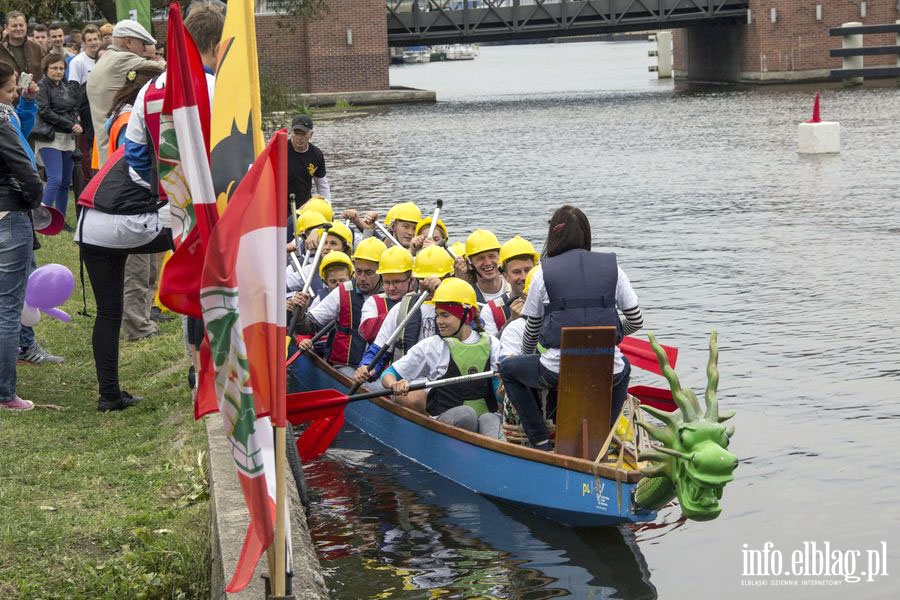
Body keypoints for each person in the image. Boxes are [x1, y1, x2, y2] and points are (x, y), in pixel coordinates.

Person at [498, 205, 644, 451]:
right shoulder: (615, 270)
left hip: (557, 369)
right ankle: (604, 439)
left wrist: (528, 356)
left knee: (509, 369)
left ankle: (540, 441)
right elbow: (636, 321)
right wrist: (610, 334)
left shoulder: (544, 273)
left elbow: (531, 331)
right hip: (608, 367)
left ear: (554, 236)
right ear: (586, 235)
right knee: (624, 366)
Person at [381, 278, 502, 438]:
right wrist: (395, 383)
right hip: (445, 422)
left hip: (483, 422)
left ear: (467, 315)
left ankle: (493, 454)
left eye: (445, 316)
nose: (439, 322)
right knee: (466, 414)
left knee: (491, 418)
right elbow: (388, 374)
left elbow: (498, 391)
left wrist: (504, 389)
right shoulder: (431, 346)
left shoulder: (492, 343)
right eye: (437, 315)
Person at [0, 61, 45, 410]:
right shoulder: (2, 122)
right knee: (8, 308)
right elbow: (25, 170)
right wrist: (34, 197)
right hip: (8, 214)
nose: (16, 93)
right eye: (11, 88)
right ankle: (5, 394)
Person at [356, 245, 455, 383]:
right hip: (406, 387)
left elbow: (475, 334)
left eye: (435, 279)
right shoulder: (400, 309)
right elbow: (378, 350)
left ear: (449, 278)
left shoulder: (459, 308)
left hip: (447, 385)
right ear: (415, 279)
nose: (428, 284)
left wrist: (445, 291)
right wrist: (367, 366)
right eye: (423, 279)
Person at [292, 236, 386, 377]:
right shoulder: (341, 292)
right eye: (358, 271)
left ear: (382, 271)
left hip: (382, 370)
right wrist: (300, 314)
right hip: (346, 367)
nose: (361, 278)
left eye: (369, 273)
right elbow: (306, 327)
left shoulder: (394, 292)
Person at [86, 18, 160, 168]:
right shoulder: (122, 58)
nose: (144, 50)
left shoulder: (105, 58)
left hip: (105, 153)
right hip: (120, 152)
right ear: (129, 42)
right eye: (143, 44)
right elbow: (163, 69)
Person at [31, 53, 81, 225]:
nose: (58, 71)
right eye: (54, 68)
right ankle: (40, 218)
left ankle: (59, 219)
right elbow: (44, 111)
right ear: (46, 69)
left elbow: (74, 108)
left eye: (61, 68)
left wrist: (77, 123)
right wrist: (69, 124)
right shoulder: (41, 86)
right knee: (55, 178)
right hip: (49, 137)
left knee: (66, 182)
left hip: (67, 138)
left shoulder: (66, 86)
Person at [481, 235, 539, 336]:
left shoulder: (549, 301)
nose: (524, 277)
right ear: (505, 276)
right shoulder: (491, 310)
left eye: (528, 270)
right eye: (516, 272)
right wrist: (511, 320)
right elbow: (491, 350)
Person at [358, 245, 415, 343]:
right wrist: (401, 310)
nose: (391, 288)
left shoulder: (419, 300)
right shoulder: (374, 302)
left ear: (411, 280)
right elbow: (367, 332)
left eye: (397, 282)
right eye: (387, 283)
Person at [287, 114, 329, 205]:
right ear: (291, 132)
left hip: (305, 206)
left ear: (311, 134)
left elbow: (322, 186)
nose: (299, 137)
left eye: (303, 134)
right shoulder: (280, 150)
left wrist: (328, 209)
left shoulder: (317, 155)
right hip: (281, 207)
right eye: (296, 133)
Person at [461, 228, 509, 305]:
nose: (487, 262)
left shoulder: (514, 287)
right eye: (480, 258)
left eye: (492, 256)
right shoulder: (466, 298)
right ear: (469, 264)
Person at [0, 11, 46, 77]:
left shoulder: (38, 48)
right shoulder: (1, 50)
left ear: (26, 25)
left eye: (21, 25)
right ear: (6, 27)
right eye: (14, 26)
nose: (18, 29)